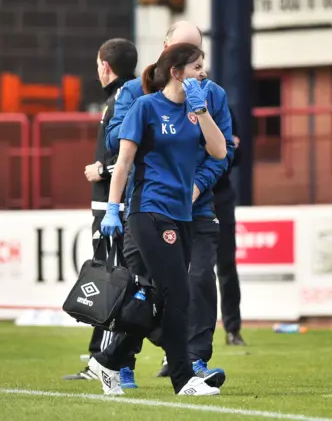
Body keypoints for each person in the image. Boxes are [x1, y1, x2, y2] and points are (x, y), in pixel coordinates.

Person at [89, 43, 227, 396]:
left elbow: (220, 151)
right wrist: (112, 210)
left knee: (159, 298)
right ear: (177, 71)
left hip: (183, 215)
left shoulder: (198, 110)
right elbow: (122, 164)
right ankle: (184, 379)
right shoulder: (145, 107)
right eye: (197, 67)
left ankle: (108, 361)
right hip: (148, 211)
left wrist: (203, 111)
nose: (203, 73)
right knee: (177, 294)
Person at [62, 38, 139, 387]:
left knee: (112, 283)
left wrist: (103, 172)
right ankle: (108, 357)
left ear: (105, 67)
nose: (97, 70)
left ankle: (106, 360)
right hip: (111, 204)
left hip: (114, 205)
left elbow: (131, 154)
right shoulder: (123, 97)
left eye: (98, 64)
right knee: (112, 279)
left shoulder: (125, 98)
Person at [214, 108, 246, 346]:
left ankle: (233, 329)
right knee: (189, 271)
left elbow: (238, 154)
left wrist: (230, 149)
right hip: (188, 198)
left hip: (221, 196)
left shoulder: (223, 108)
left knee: (226, 266)